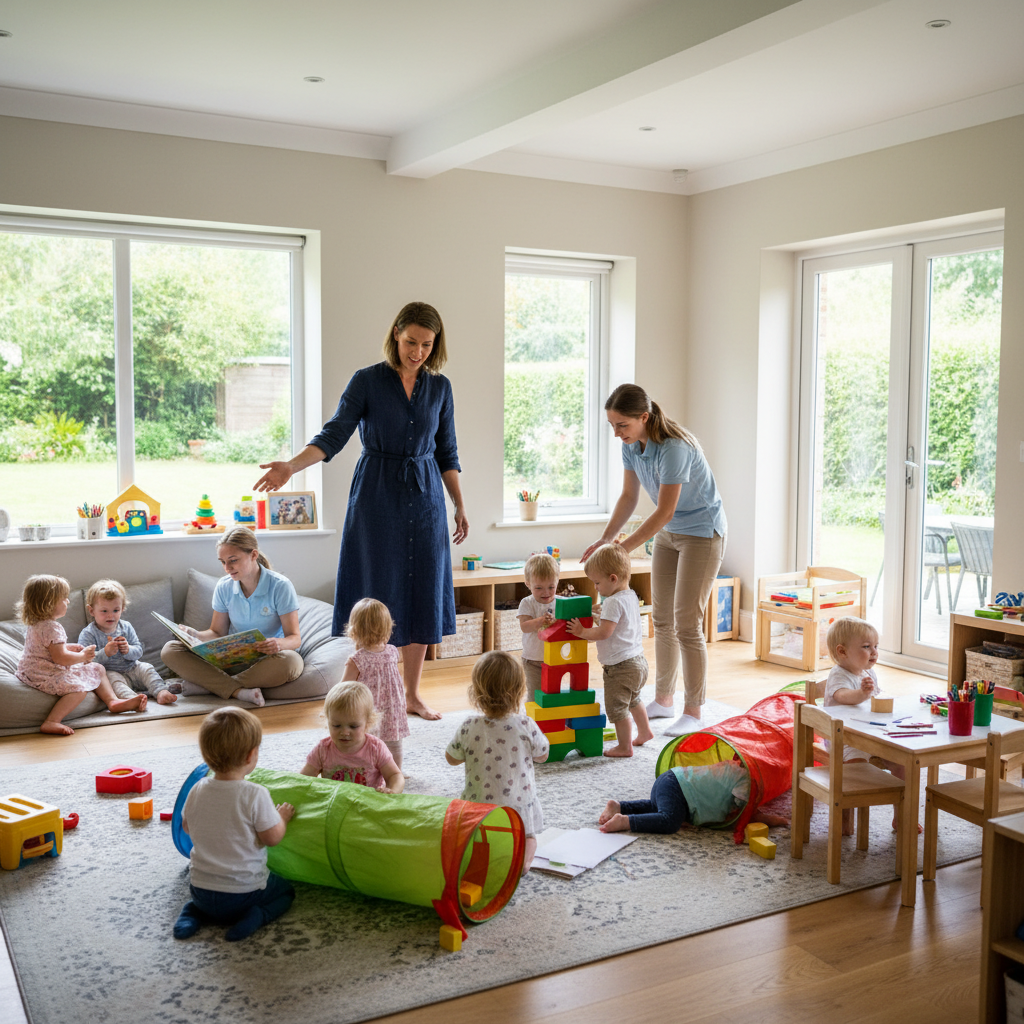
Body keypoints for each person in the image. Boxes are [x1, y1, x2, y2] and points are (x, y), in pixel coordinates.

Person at [253, 301, 468, 722]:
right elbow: (333, 434)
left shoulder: (440, 389)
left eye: (427, 344)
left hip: (426, 498)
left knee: (422, 590)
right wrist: (291, 467)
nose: (418, 351)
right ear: (395, 335)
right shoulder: (367, 381)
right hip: (377, 495)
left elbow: (448, 451)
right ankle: (363, 694)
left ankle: (411, 694)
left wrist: (459, 503)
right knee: (376, 588)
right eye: (410, 342)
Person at [581, 383, 727, 738]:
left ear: (643, 417)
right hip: (670, 533)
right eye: (612, 425)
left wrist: (621, 549)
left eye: (622, 425)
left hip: (702, 533)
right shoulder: (632, 446)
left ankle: (694, 710)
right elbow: (629, 497)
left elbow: (664, 510)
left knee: (687, 623)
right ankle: (664, 699)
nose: (617, 433)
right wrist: (605, 538)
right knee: (661, 619)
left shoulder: (675, 448)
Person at [173, 707, 296, 941]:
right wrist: (283, 818)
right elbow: (272, 838)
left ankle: (192, 914)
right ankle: (258, 916)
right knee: (285, 892)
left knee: (200, 904)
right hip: (244, 895)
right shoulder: (255, 793)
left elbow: (188, 828)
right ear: (251, 756)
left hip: (200, 890)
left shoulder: (197, 788)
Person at [160, 527, 303, 707]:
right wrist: (193, 634)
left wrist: (277, 644)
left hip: (268, 661)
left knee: (291, 662)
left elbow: (295, 638)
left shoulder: (280, 586)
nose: (227, 568)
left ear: (253, 555)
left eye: (233, 560)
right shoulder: (224, 587)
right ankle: (238, 690)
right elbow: (217, 632)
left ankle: (210, 685)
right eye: (223, 562)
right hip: (233, 660)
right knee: (170, 649)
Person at [445, 651, 549, 875]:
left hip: (479, 810)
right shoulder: (526, 724)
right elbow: (543, 755)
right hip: (517, 809)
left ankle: (479, 856)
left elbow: (451, 758)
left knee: (477, 837)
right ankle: (523, 863)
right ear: (520, 691)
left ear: (476, 692)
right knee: (529, 837)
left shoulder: (468, 726)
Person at [15, 574, 146, 736]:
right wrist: (83, 656)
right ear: (49, 604)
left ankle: (113, 701)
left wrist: (69, 647)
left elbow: (45, 648)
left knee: (97, 668)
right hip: (43, 672)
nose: (68, 601)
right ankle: (52, 721)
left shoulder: (36, 623)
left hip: (33, 667)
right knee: (79, 689)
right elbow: (60, 658)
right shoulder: (52, 628)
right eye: (64, 598)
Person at [823, 617, 912, 835]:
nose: (874, 652)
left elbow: (875, 700)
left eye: (876, 646)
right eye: (866, 647)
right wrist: (862, 694)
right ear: (842, 652)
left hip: (869, 733)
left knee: (903, 763)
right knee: (856, 770)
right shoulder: (838, 675)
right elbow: (843, 696)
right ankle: (846, 817)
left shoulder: (869, 673)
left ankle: (901, 815)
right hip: (844, 738)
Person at [567, 544, 653, 758]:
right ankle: (645, 732)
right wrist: (601, 615)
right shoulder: (631, 595)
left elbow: (605, 632)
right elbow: (619, 624)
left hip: (620, 667)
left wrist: (582, 631)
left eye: (597, 583)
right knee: (634, 699)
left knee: (617, 708)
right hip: (638, 661)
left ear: (613, 578)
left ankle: (625, 746)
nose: (595, 587)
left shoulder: (612, 602)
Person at [597, 761, 788, 834]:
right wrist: (770, 819)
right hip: (677, 787)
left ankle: (620, 806)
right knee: (669, 821)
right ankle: (626, 821)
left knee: (659, 809)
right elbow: (748, 813)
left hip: (670, 780)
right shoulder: (745, 781)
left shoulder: (731, 768)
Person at [79, 578, 179, 705]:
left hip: (132, 668)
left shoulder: (126, 627)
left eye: (116, 610)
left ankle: (161, 692)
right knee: (113, 680)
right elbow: (85, 662)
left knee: (147, 668)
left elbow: (138, 651)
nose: (111, 615)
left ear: (123, 608)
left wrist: (128, 650)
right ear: (92, 611)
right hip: (111, 673)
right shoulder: (88, 633)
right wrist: (105, 652)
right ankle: (132, 699)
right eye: (104, 611)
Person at [340, 598, 410, 769]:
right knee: (394, 742)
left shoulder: (357, 660)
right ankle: (397, 771)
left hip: (368, 708)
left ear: (353, 630)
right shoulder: (393, 652)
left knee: (369, 742)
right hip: (393, 707)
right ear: (387, 627)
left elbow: (342, 688)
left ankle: (370, 770)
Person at [299, 680, 405, 793]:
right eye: (336, 725)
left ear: (368, 723)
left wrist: (392, 791)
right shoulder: (323, 749)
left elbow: (395, 775)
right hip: (334, 802)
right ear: (327, 721)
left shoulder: (376, 748)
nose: (344, 732)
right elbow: (303, 779)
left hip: (368, 803)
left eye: (353, 726)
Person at [517, 553, 559, 694]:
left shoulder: (560, 602)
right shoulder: (527, 603)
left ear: (557, 582)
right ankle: (532, 717)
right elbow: (525, 626)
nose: (546, 592)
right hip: (533, 659)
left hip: (555, 658)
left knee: (553, 692)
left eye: (551, 587)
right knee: (535, 694)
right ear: (528, 584)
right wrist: (540, 621)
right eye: (539, 588)